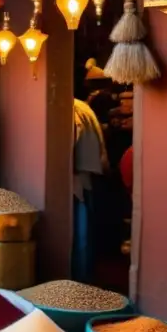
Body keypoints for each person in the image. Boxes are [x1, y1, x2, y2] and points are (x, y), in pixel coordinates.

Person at [73, 98, 108, 282]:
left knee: (80, 236)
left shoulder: (71, 108)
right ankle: (85, 280)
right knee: (84, 234)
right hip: (88, 174)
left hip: (76, 177)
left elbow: (70, 141)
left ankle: (80, 283)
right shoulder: (84, 107)